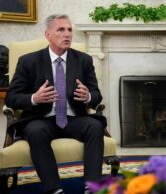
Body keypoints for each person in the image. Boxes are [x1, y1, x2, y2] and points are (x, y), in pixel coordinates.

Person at [5, 14, 106, 194]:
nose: (67, 34)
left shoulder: (84, 60)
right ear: (48, 35)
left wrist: (88, 96)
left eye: (69, 30)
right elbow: (11, 98)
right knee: (35, 131)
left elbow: (97, 95)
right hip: (41, 118)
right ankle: (54, 189)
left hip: (74, 118)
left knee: (95, 126)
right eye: (61, 29)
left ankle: (92, 187)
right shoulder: (28, 61)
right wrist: (34, 98)